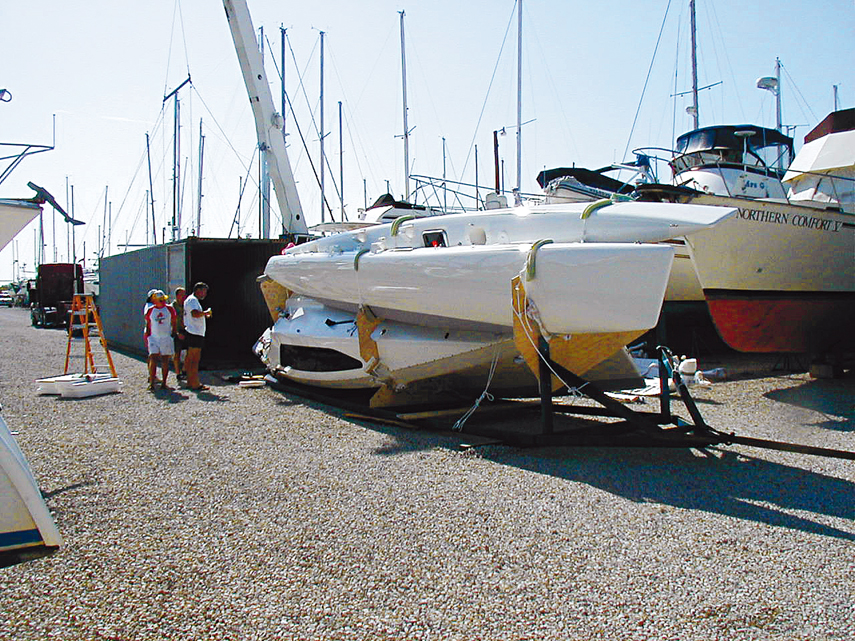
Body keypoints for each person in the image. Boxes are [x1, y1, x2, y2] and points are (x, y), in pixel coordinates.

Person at [144, 290, 177, 390]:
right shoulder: (150, 310)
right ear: (154, 300)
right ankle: (152, 382)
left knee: (165, 359)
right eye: (160, 300)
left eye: (163, 300)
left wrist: (173, 333)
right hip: (154, 337)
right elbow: (148, 323)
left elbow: (174, 321)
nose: (162, 302)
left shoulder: (170, 309)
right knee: (153, 358)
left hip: (166, 337)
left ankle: (164, 382)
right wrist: (148, 335)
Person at [183, 282, 212, 391]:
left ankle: (190, 382)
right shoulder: (192, 300)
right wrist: (205, 313)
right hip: (194, 333)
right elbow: (194, 313)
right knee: (194, 359)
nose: (204, 294)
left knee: (192, 359)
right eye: (203, 291)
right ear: (197, 290)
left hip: (195, 332)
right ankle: (195, 383)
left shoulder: (191, 300)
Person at [172, 287, 187, 380]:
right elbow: (171, 321)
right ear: (177, 296)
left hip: (186, 330)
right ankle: (178, 373)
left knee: (189, 351)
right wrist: (176, 332)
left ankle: (185, 369)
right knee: (177, 352)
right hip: (177, 331)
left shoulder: (186, 305)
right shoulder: (172, 306)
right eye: (182, 294)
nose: (183, 296)